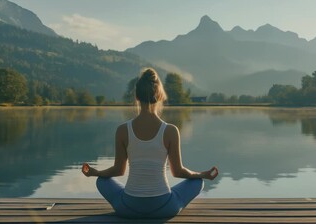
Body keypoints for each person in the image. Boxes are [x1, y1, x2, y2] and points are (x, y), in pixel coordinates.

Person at [82, 68, 218, 219]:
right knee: (197, 182)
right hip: (164, 207)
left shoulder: (122, 130)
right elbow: (178, 172)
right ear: (159, 96)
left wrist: (96, 173)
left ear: (137, 97)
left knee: (102, 181)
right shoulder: (171, 131)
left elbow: (118, 170)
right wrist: (202, 174)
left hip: (128, 207)